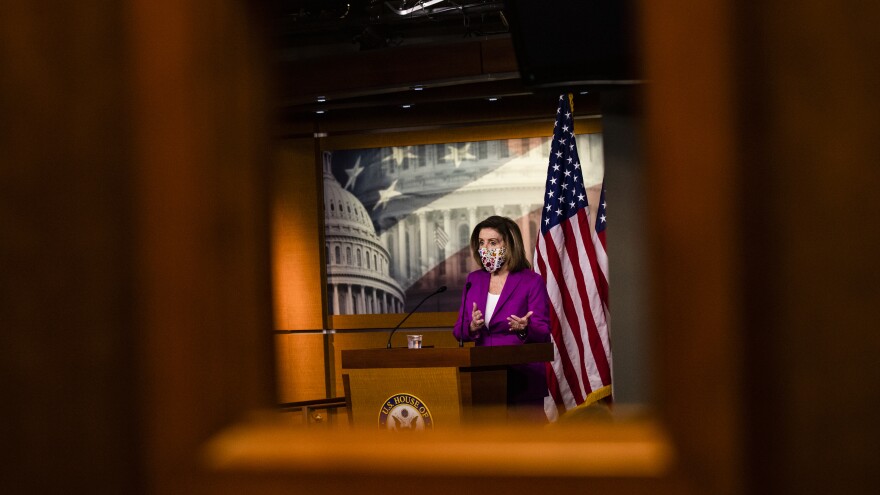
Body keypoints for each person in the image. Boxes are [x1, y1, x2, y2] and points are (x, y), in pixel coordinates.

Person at [452, 215, 551, 422]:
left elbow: (542, 331)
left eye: (492, 242)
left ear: (509, 244)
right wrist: (471, 326)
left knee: (525, 448)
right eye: (481, 243)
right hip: (483, 379)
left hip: (523, 379)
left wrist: (524, 327)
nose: (485, 247)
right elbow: (458, 330)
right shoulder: (474, 280)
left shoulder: (531, 281)